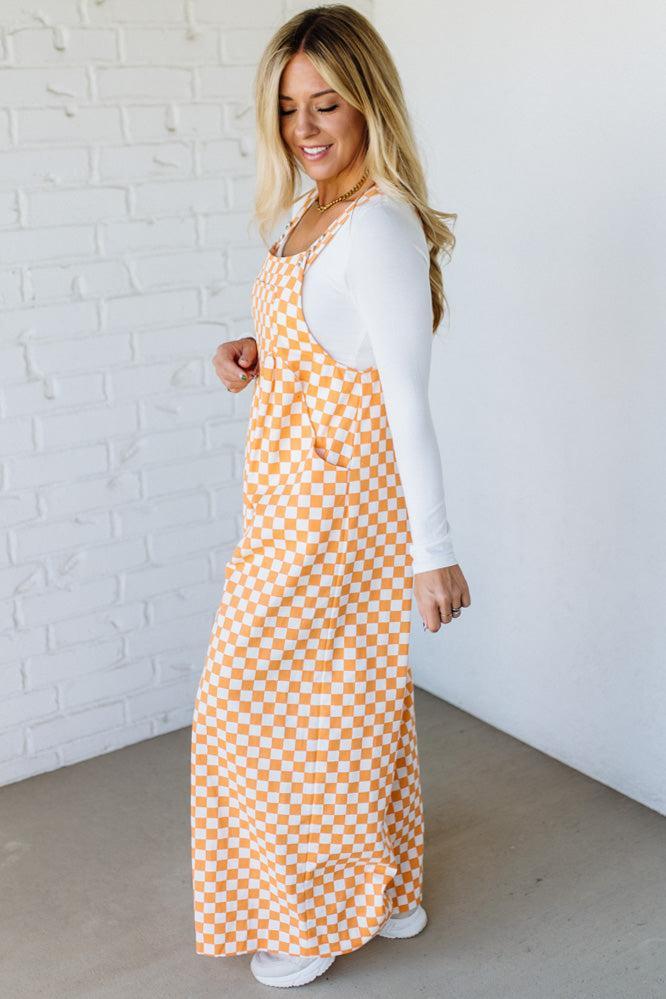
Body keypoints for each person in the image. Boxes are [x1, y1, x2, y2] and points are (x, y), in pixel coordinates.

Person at [191, 4, 471, 989]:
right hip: (285, 496)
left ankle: (309, 916)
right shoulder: (305, 215)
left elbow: (405, 393)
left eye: (327, 105)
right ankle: (386, 892)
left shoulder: (381, 224)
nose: (304, 129)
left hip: (336, 509)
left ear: (370, 106)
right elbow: (332, 347)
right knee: (353, 694)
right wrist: (255, 355)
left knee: (257, 710)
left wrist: (433, 548)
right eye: (287, 108)